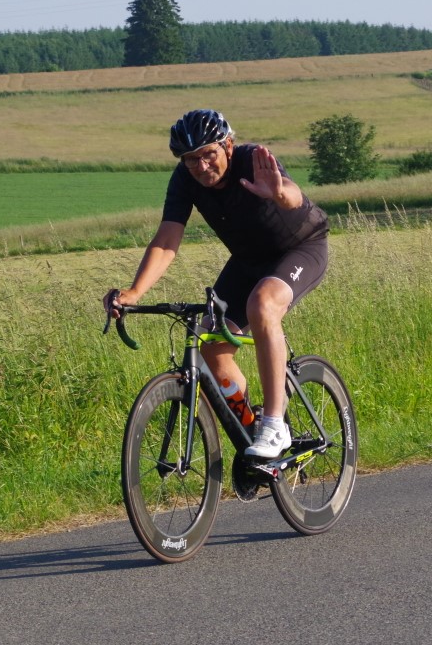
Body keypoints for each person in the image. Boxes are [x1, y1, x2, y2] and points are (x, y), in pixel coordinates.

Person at [104, 109, 329, 458]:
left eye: (208, 154)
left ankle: (274, 425)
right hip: (248, 260)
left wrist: (277, 192)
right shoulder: (185, 179)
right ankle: (252, 427)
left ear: (228, 146)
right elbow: (167, 240)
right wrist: (134, 292)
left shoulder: (252, 159)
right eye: (191, 159)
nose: (201, 166)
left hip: (300, 248)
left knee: (262, 305)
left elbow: (293, 195)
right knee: (210, 343)